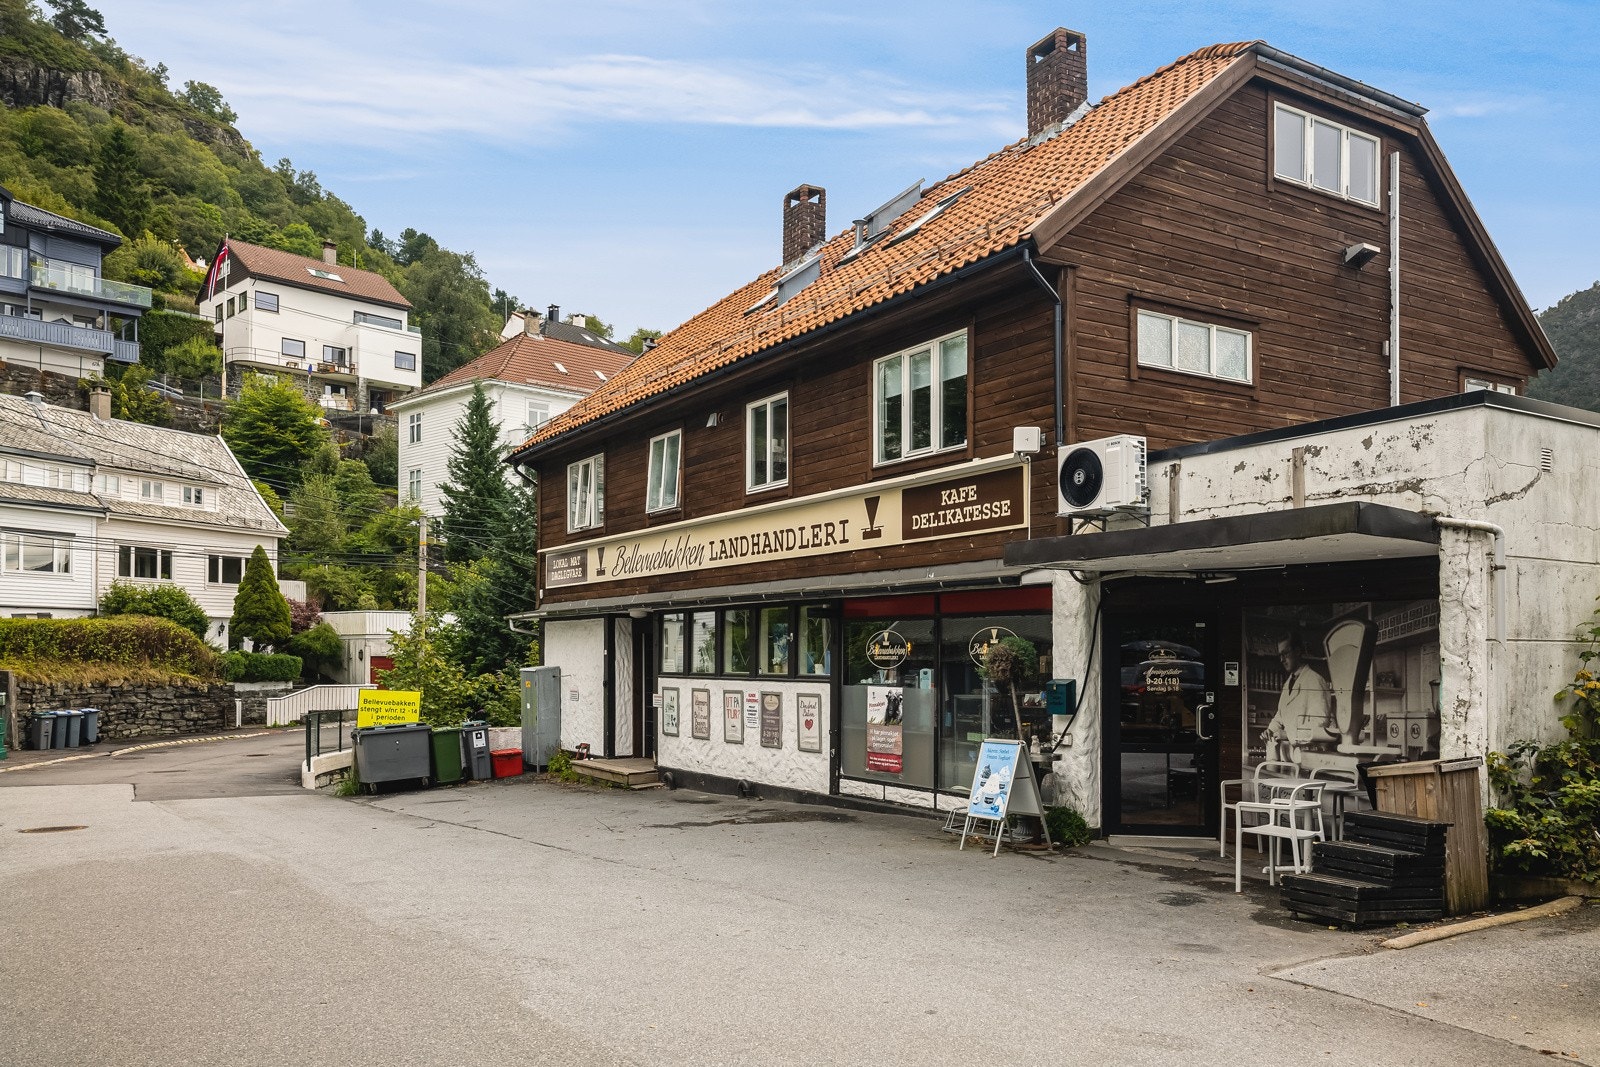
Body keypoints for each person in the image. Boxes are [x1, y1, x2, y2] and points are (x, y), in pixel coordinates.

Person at [1262, 630, 1336, 760]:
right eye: (1280, 655)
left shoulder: (1314, 680)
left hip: (1310, 756)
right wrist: (1270, 730)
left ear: (1297, 651)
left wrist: (1287, 734)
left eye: (1285, 653)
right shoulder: (1288, 683)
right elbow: (1280, 716)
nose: (1282, 659)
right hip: (1291, 755)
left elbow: (1320, 723)